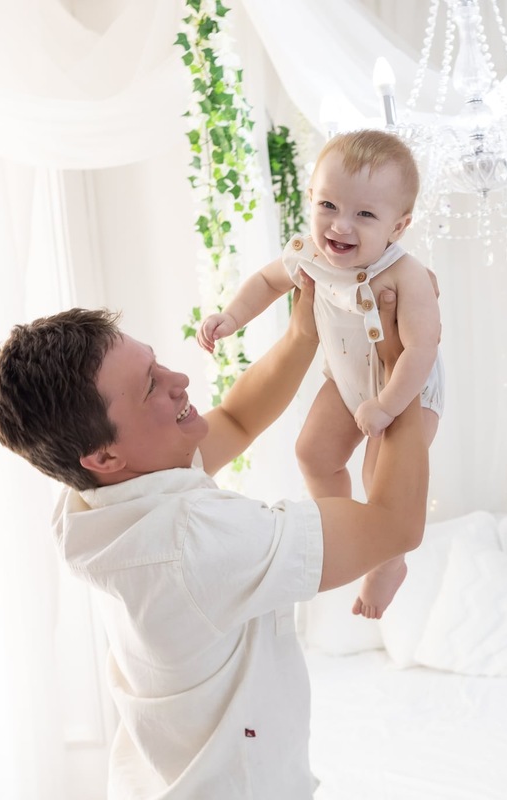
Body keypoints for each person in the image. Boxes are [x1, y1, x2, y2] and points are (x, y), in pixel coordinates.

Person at [0, 280, 429, 798]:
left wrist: (305, 326)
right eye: (151, 385)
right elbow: (396, 525)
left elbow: (238, 419)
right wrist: (404, 364)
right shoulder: (197, 542)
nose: (179, 378)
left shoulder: (89, 504)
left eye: (157, 363)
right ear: (104, 457)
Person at [198, 129, 442, 619]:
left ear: (398, 226)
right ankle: (345, 529)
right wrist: (231, 318)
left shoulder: (405, 276)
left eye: (365, 215)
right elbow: (268, 281)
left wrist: (389, 405)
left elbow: (421, 348)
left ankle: (386, 563)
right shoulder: (307, 254)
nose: (340, 226)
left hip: (405, 390)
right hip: (346, 383)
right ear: (309, 198)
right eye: (328, 204)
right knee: (311, 452)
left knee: (382, 484)